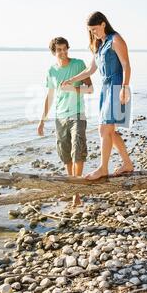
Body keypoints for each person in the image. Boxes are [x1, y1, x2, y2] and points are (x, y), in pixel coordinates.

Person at [61, 11, 134, 181]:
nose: (93, 33)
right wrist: (71, 79)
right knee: (110, 132)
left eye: (94, 29)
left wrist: (124, 88)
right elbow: (90, 70)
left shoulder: (115, 39)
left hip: (116, 87)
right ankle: (128, 163)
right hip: (105, 90)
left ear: (103, 24)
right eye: (90, 31)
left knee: (104, 130)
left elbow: (126, 66)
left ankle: (103, 168)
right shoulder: (100, 44)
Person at [37, 37, 93, 204]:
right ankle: (71, 188)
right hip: (60, 117)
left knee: (78, 150)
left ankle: (77, 192)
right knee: (66, 154)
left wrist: (72, 88)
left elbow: (90, 89)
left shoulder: (79, 65)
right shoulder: (51, 71)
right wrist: (42, 121)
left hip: (77, 114)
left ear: (68, 48)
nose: (62, 52)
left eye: (64, 49)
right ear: (53, 52)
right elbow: (50, 96)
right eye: (58, 50)